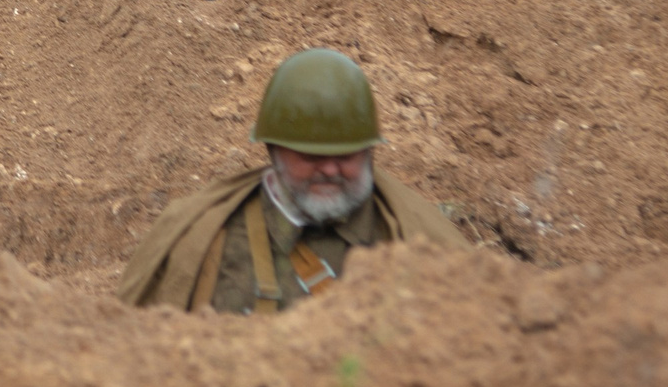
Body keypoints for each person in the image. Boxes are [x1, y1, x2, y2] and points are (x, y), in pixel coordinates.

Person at [118, 48, 470, 313]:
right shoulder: (204, 239)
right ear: (273, 150)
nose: (330, 170)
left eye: (346, 156)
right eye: (312, 156)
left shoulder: (413, 238)